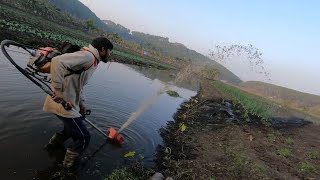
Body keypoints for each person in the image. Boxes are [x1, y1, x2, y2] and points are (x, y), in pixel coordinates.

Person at [43, 37, 113, 169]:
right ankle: (67, 169)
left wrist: (81, 104)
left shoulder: (92, 59)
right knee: (84, 137)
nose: (110, 54)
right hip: (63, 102)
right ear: (103, 49)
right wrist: (57, 89)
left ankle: (51, 148)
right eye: (109, 51)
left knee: (72, 129)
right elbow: (57, 61)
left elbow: (79, 84)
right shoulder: (88, 56)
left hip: (70, 103)